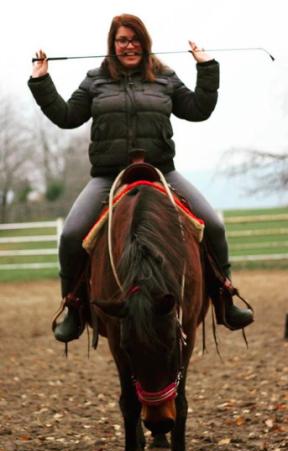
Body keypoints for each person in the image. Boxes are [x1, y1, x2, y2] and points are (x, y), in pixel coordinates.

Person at [28, 13, 253, 343]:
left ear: (145, 43)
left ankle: (225, 300)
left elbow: (199, 109)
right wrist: (41, 81)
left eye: (135, 39)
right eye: (122, 40)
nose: (129, 45)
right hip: (108, 177)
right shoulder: (95, 80)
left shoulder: (165, 77)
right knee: (71, 234)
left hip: (162, 172)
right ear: (113, 44)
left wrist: (206, 68)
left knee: (214, 226)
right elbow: (66, 117)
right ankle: (74, 308)